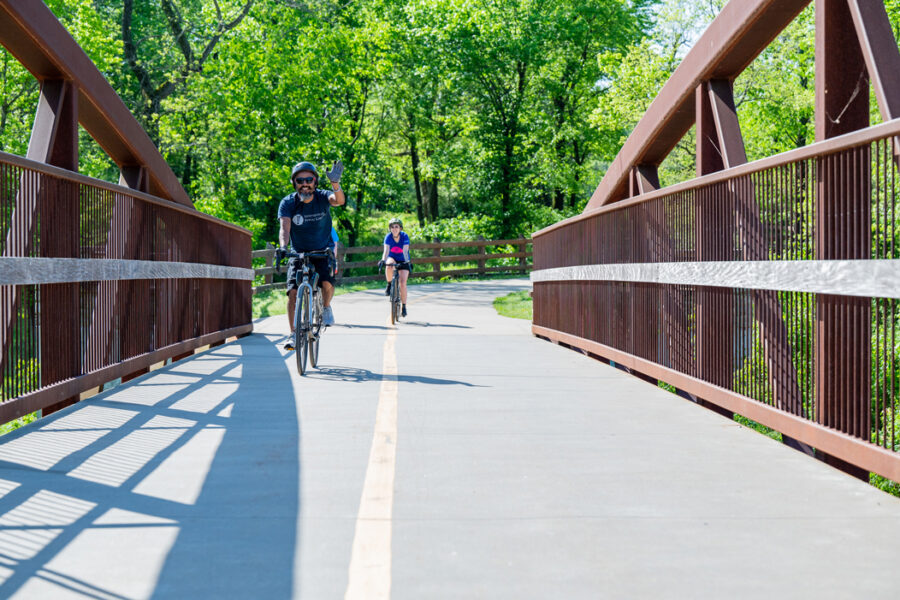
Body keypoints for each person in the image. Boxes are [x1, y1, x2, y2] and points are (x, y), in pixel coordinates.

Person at [278, 160, 345, 350]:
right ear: (295, 183)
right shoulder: (288, 203)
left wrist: (335, 183)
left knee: (327, 283)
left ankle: (325, 307)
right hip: (298, 253)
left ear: (315, 181)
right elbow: (284, 228)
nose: (305, 183)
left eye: (309, 179)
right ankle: (292, 334)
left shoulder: (323, 197)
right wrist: (283, 246)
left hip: (322, 251)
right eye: (300, 181)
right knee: (292, 293)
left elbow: (339, 201)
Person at [378, 217, 411, 317]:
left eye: (396, 227)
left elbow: (405, 251)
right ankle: (389, 285)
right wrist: (383, 260)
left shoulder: (405, 236)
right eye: (392, 227)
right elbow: (386, 251)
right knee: (388, 265)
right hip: (392, 257)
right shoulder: (388, 237)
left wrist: (407, 262)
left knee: (402, 283)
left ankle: (404, 306)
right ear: (390, 228)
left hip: (403, 259)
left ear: (400, 228)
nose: (394, 229)